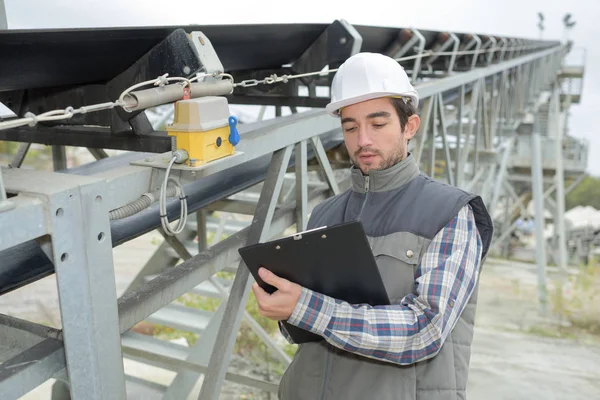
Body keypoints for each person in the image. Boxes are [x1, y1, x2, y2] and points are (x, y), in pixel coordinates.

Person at [251, 52, 494, 400]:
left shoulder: (450, 213)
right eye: (350, 127)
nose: (363, 140)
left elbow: (426, 330)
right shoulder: (325, 215)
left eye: (377, 124)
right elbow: (304, 330)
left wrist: (308, 307)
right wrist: (284, 306)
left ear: (409, 126)